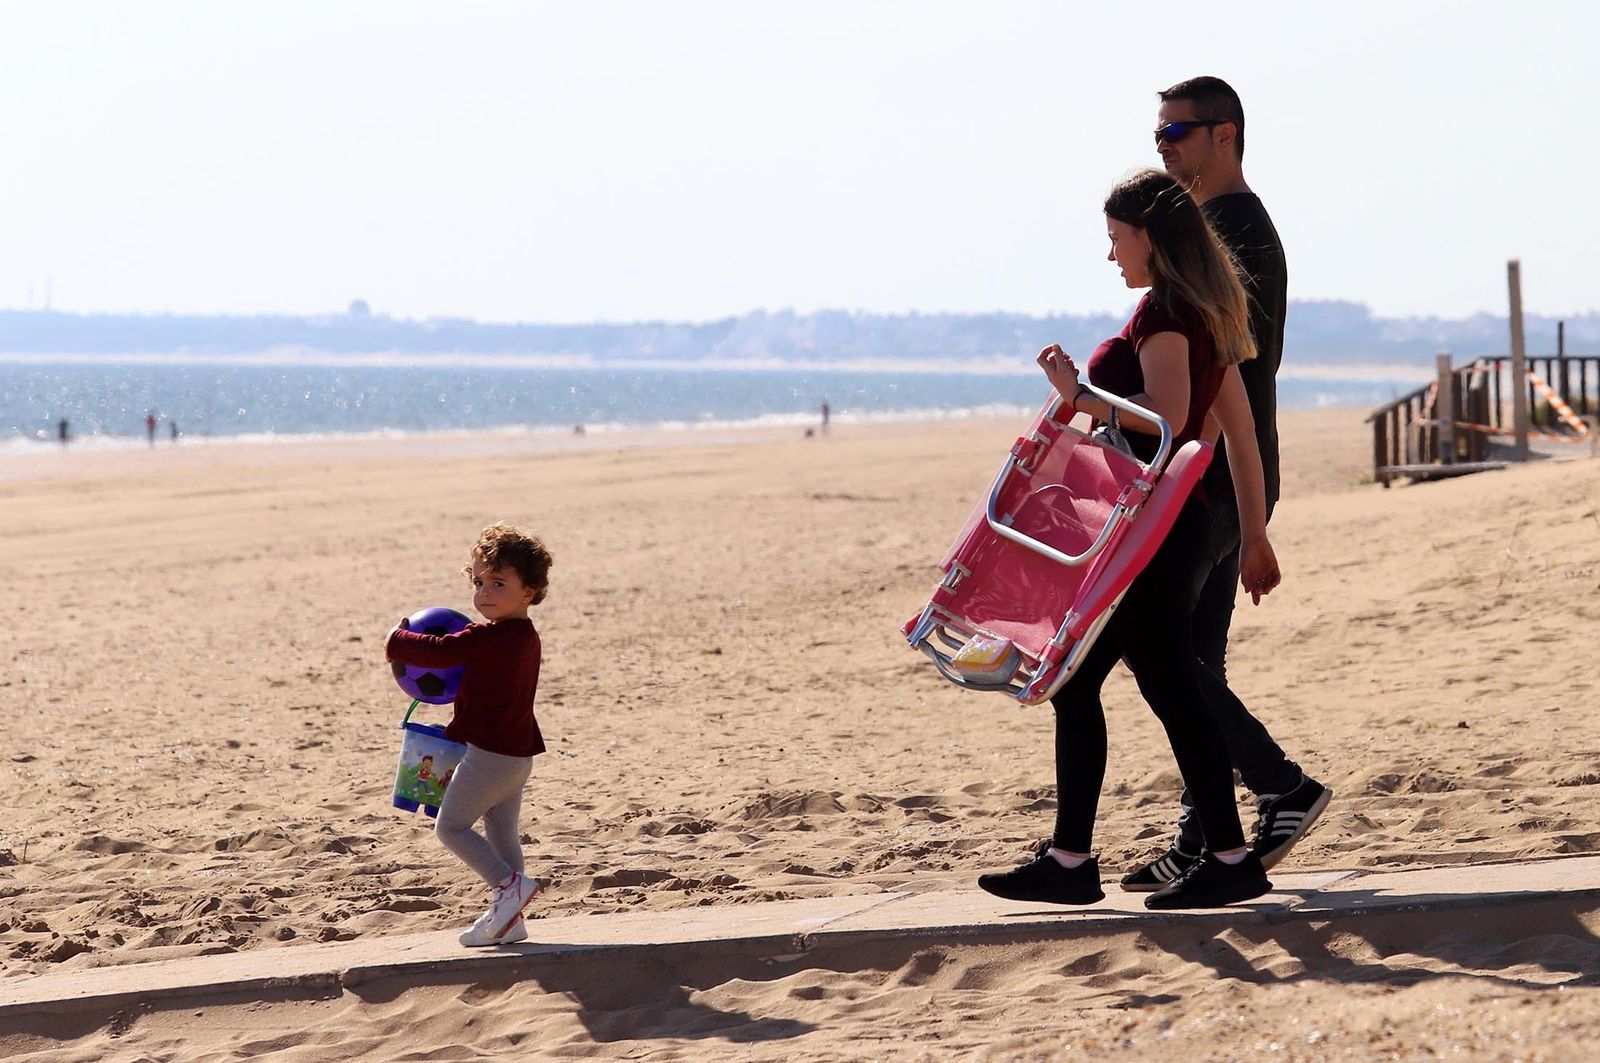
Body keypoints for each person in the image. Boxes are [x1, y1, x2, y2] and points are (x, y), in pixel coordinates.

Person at [978, 168, 1281, 909]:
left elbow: (1170, 413)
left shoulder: (1170, 312)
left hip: (1154, 529)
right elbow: (1233, 432)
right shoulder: (1201, 310)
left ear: (1151, 235)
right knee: (1108, 682)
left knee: (1157, 685)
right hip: (1172, 525)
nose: (1113, 254)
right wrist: (1254, 536)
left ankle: (1220, 854)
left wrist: (1078, 394)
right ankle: (1077, 858)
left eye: (1118, 238)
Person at [1117, 76, 1330, 893]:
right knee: (1193, 656)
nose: (1164, 145)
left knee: (1162, 648)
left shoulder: (1235, 227)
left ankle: (1279, 785)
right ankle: (1208, 832)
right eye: (1159, 131)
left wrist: (1178, 472)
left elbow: (1228, 368)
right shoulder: (1212, 225)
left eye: (1179, 131)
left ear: (1225, 136)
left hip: (1211, 474)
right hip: (1215, 471)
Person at [385, 522, 554, 945]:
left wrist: (397, 638)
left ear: (529, 592)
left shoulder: (487, 637)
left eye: (498, 583)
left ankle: (507, 888)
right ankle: (510, 921)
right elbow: (490, 696)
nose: (484, 593)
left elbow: (439, 651)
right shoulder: (525, 637)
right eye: (478, 582)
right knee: (500, 834)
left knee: (451, 827)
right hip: (517, 757)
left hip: (491, 757)